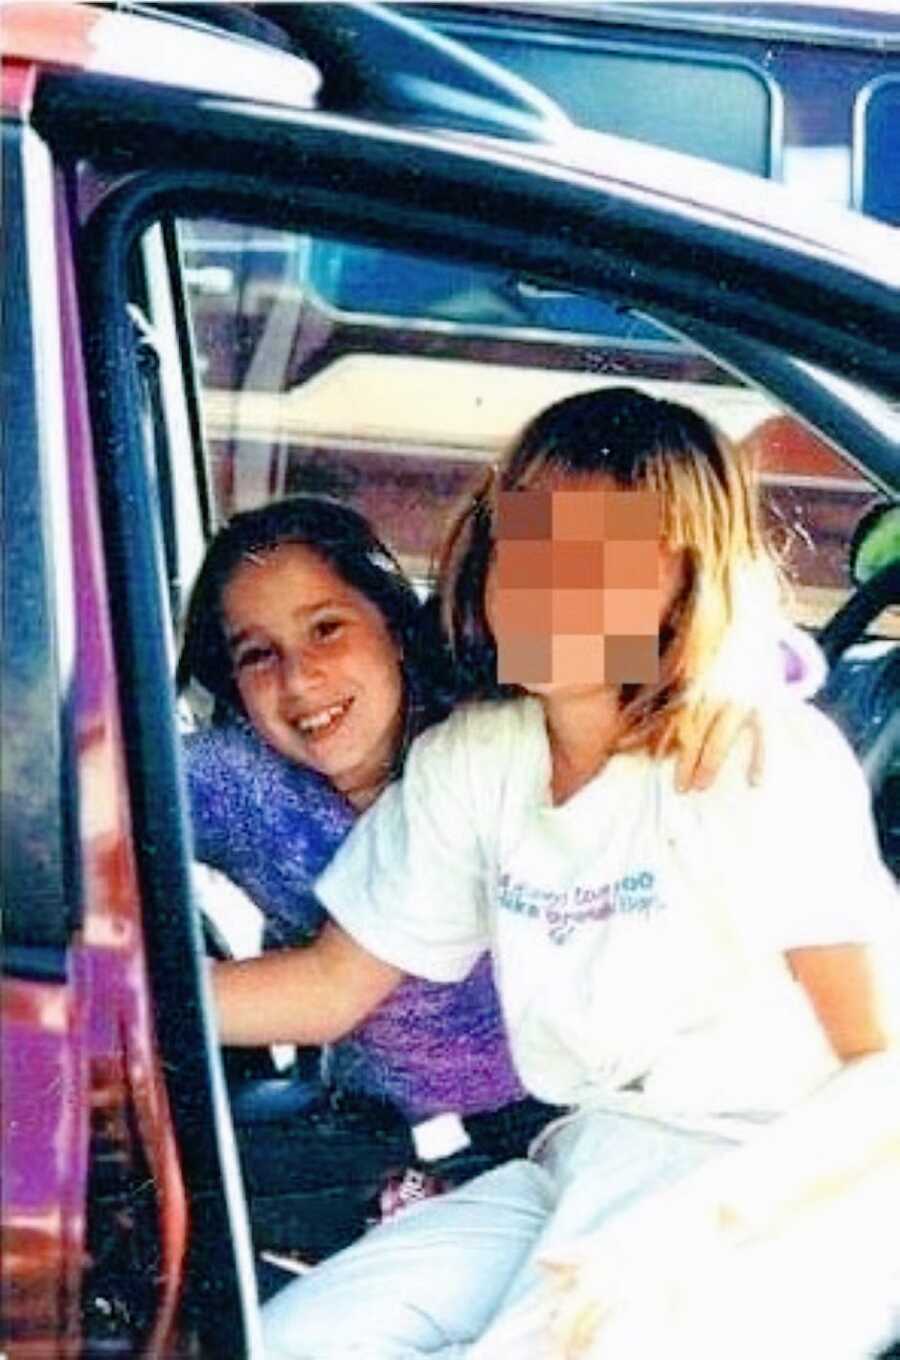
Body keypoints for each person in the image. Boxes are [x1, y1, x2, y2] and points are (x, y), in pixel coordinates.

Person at [212, 387, 899, 1359]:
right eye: (529, 547)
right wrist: (93, 993)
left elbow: (884, 1072)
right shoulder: (479, 757)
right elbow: (331, 986)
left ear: (683, 584)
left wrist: (691, 1231)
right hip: (585, 1155)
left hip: (782, 1188)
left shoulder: (757, 756)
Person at [180, 493, 770, 1129]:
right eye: (257, 655)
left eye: (327, 628)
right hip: (386, 1132)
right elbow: (66, 797)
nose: (299, 679)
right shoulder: (237, 779)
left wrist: (726, 681)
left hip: (589, 1107)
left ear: (394, 628)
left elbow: (634, 636)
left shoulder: (491, 723)